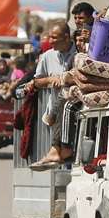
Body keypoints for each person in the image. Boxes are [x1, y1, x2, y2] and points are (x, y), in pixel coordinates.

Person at [25, 21, 77, 168]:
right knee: (58, 168)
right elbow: (36, 81)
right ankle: (54, 153)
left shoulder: (79, 54)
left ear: (66, 38)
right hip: (53, 116)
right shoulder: (48, 56)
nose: (50, 41)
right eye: (49, 37)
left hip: (74, 115)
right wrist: (50, 79)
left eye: (54, 38)